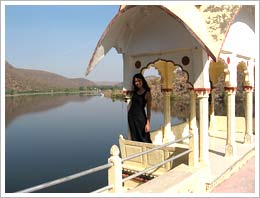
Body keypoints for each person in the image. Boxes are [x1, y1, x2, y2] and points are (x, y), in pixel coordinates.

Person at [128, 73, 152, 143]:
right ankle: (138, 153)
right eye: (135, 81)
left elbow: (149, 110)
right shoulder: (135, 92)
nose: (137, 83)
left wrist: (148, 123)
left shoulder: (147, 93)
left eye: (139, 80)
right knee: (134, 137)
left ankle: (149, 153)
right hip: (131, 117)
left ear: (142, 81)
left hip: (141, 118)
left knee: (144, 137)